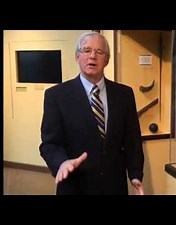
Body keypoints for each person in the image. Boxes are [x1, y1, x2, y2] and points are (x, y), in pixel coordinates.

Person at [39, 31, 144, 195]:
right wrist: (61, 162)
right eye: (86, 50)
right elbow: (50, 143)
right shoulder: (56, 95)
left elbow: (133, 140)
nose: (92, 56)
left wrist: (135, 174)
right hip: (75, 185)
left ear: (107, 59)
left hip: (114, 186)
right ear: (77, 56)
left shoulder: (124, 94)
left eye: (99, 52)